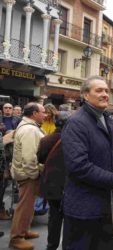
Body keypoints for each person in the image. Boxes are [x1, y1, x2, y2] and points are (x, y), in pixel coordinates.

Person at [61, 76, 113, 249]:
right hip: (83, 209)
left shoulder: (107, 120)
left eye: (106, 90)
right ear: (85, 95)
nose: (105, 94)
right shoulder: (76, 123)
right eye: (99, 90)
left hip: (103, 206)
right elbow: (78, 166)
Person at [9, 102, 46, 250]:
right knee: (24, 206)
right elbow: (29, 158)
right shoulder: (30, 130)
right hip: (28, 175)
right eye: (42, 112)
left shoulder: (29, 127)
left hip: (26, 174)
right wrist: (35, 174)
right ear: (34, 113)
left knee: (28, 206)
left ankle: (23, 231)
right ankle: (16, 238)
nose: (45, 114)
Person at [37, 112, 70, 250]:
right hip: (69, 185)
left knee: (54, 218)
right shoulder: (74, 140)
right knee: (70, 219)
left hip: (52, 184)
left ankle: (51, 246)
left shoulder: (46, 140)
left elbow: (40, 159)